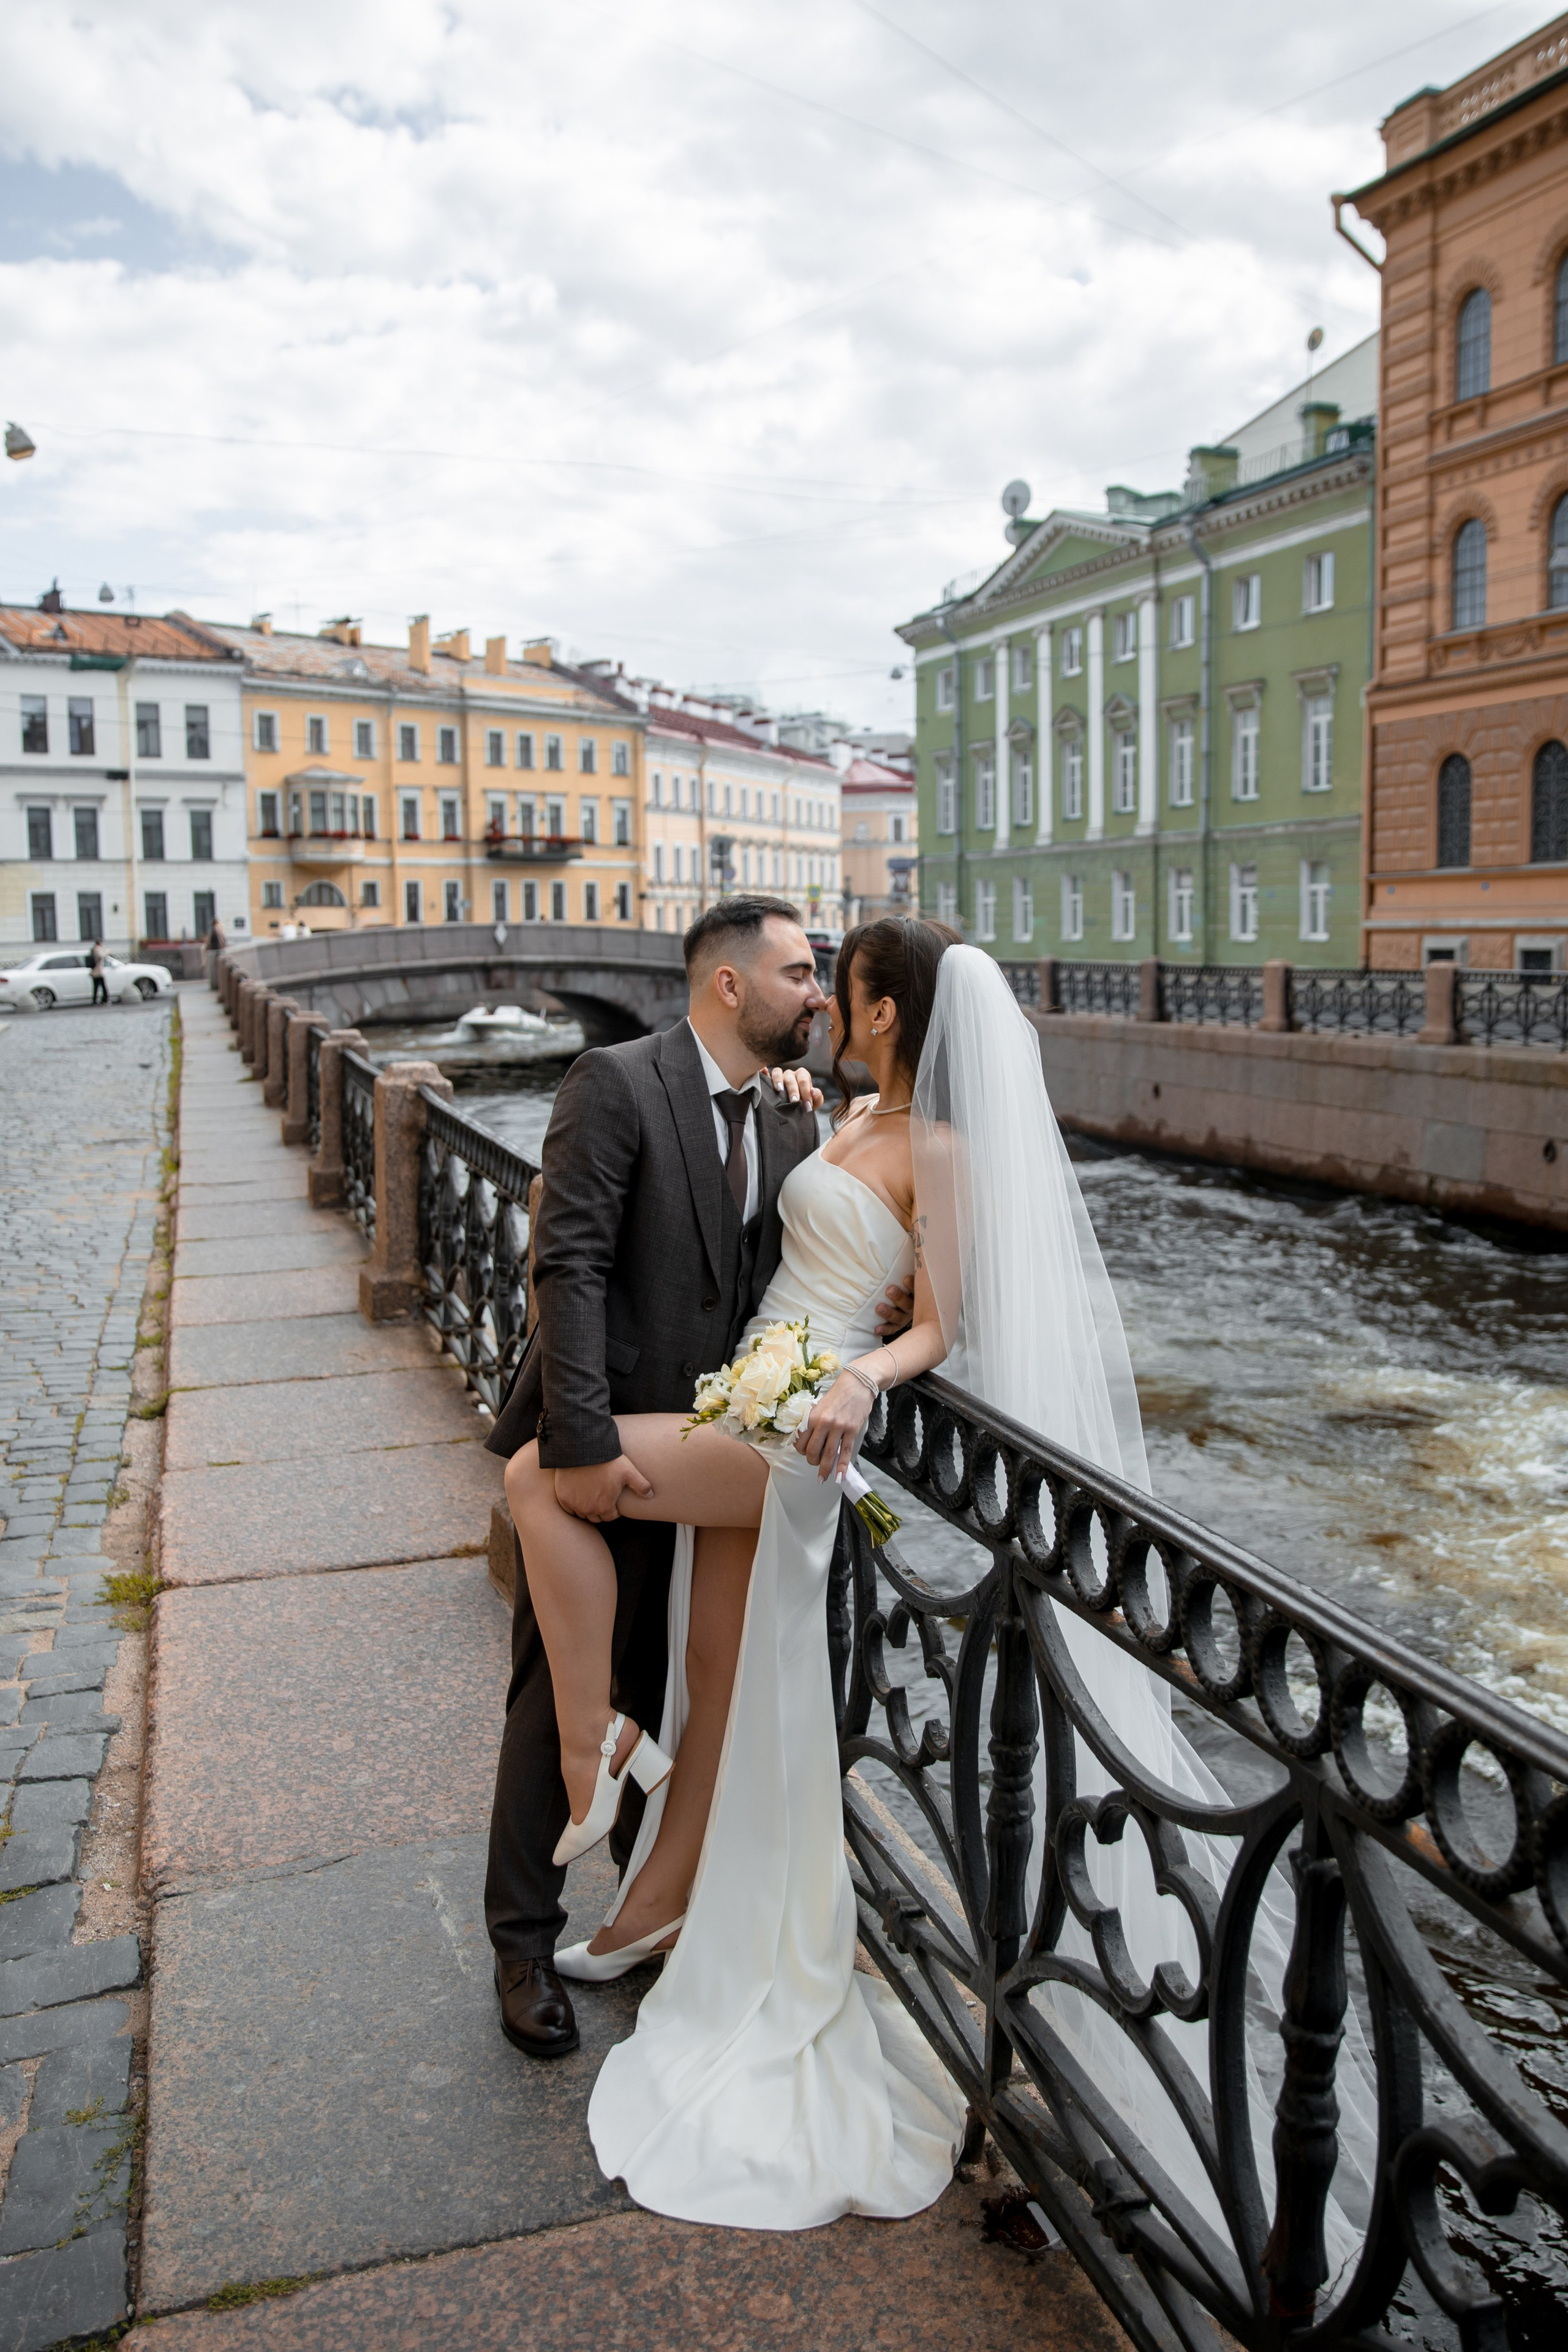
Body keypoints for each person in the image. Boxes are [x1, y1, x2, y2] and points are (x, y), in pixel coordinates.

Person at [481, 897, 911, 2060]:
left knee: (667, 1676)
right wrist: (578, 1443)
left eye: (822, 976)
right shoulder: (616, 1080)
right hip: (611, 1433)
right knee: (549, 1690)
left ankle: (640, 1907)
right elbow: (564, 1264)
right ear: (730, 985)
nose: (815, 993)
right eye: (797, 973)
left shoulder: (787, 1117)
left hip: (722, 1446)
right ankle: (522, 1949)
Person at [88, 941, 108, 1006]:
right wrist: (107, 952)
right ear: (99, 943)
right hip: (98, 972)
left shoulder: (93, 950)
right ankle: (104, 1000)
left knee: (96, 987)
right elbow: (101, 956)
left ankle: (95, 1001)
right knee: (103, 987)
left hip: (95, 972)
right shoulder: (97, 949)